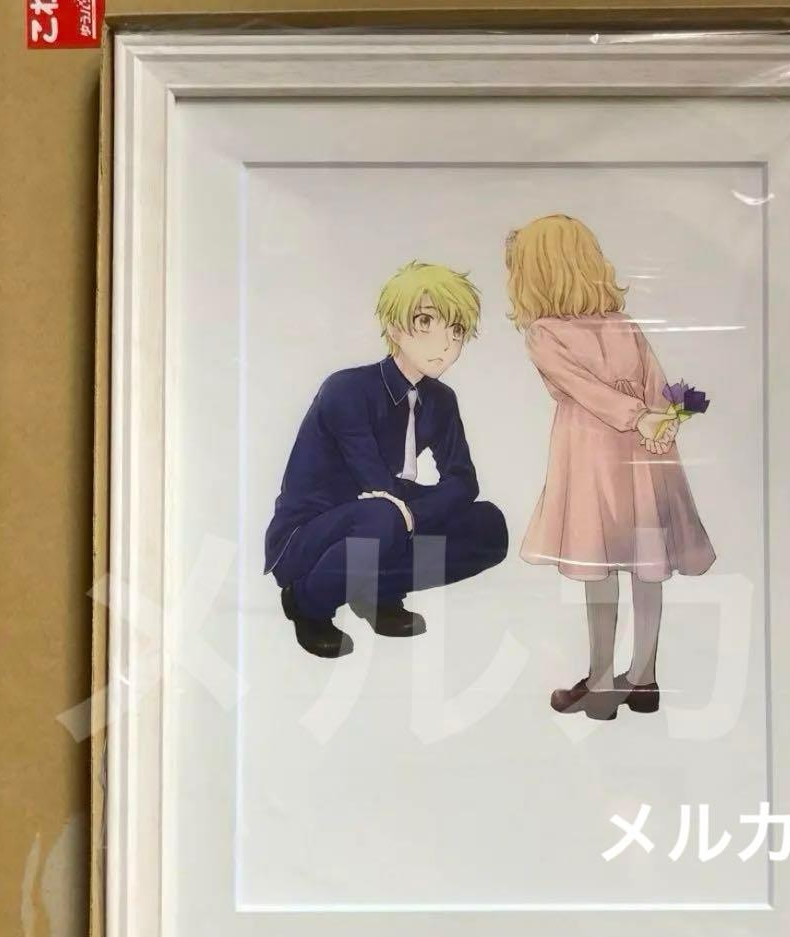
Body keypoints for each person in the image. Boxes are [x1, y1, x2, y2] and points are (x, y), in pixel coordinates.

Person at [506, 214, 715, 719]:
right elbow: (654, 385)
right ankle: (643, 678)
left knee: (600, 566)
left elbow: (586, 391)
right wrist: (659, 422)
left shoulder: (544, 332)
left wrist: (650, 418)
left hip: (593, 460)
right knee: (647, 563)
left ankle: (604, 682)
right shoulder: (624, 325)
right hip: (644, 458)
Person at [264, 261, 508, 658]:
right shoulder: (347, 389)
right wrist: (413, 512)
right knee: (383, 516)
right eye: (425, 321)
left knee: (488, 525)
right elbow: (374, 483)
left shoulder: (441, 401)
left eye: (456, 330)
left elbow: (463, 480)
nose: (445, 342)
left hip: (385, 520)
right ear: (394, 328)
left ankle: (376, 589)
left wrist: (416, 513)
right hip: (311, 535)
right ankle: (307, 600)